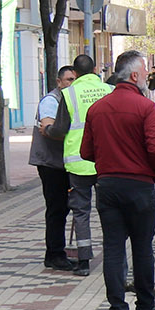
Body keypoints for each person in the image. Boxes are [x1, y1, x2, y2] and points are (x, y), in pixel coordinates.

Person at [80, 49, 155, 310]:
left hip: (107, 185)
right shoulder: (145, 107)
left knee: (113, 248)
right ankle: (145, 307)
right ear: (133, 75)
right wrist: (154, 172)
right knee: (143, 248)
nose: (146, 77)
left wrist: (109, 161)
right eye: (144, 72)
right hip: (139, 186)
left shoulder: (97, 108)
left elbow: (85, 152)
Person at [46, 53, 111, 275]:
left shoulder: (69, 93)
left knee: (81, 213)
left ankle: (84, 262)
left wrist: (46, 129)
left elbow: (60, 129)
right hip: (106, 163)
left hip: (79, 163)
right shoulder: (109, 91)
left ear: (74, 73)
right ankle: (114, 258)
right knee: (109, 212)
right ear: (95, 70)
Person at [29, 62, 79, 271]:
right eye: (69, 80)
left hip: (63, 162)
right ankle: (54, 254)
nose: (72, 84)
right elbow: (48, 128)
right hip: (51, 163)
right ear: (59, 82)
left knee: (63, 207)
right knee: (57, 208)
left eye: (75, 80)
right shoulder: (51, 100)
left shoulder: (71, 99)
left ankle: (58, 251)